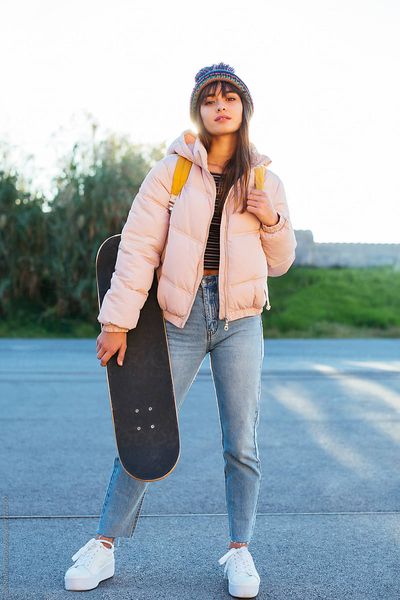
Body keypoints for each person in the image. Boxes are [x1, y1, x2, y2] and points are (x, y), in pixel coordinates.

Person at [64, 62, 297, 597]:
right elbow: (138, 249)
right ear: (199, 109)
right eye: (211, 98)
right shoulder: (171, 171)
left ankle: (240, 551)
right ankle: (104, 546)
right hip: (182, 315)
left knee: (242, 442)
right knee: (144, 435)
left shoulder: (265, 179)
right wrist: (117, 321)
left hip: (241, 320)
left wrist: (272, 219)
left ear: (243, 109)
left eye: (230, 98)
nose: (221, 105)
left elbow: (281, 262)